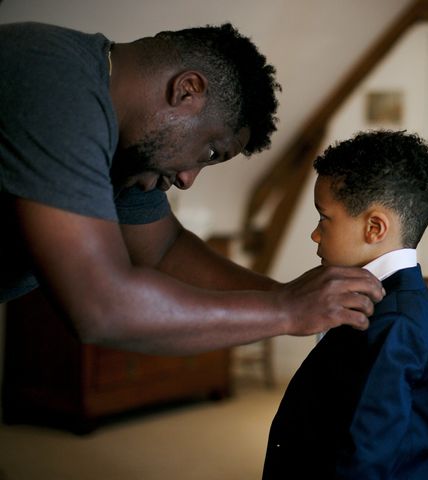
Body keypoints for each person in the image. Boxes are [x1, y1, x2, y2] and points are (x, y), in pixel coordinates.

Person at [0, 22, 384, 355]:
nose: (187, 179)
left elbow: (165, 250)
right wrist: (286, 310)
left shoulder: (127, 155)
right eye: (210, 151)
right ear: (187, 90)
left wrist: (284, 294)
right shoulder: (59, 87)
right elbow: (101, 307)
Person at [262, 130, 428, 479]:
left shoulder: (397, 321)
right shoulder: (376, 297)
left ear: (374, 227)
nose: (315, 234)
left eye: (324, 218)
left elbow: (366, 454)